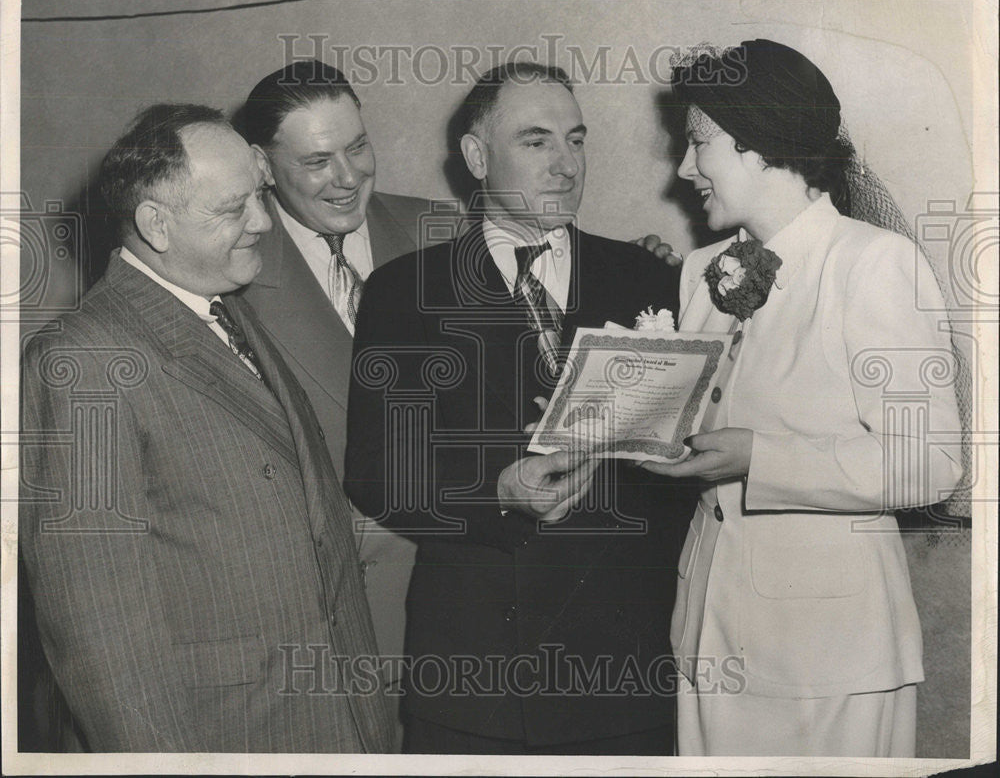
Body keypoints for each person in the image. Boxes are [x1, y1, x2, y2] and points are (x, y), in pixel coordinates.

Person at [345, 62, 698, 755]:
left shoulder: (648, 277)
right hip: (478, 672)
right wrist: (497, 491)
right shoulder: (405, 291)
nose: (565, 165)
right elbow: (380, 471)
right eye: (536, 141)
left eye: (575, 139)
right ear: (477, 157)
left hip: (623, 667)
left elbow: (680, 467)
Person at [19, 104, 393, 752]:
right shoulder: (86, 359)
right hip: (229, 737)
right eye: (231, 210)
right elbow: (99, 634)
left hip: (333, 721)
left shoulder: (226, 304)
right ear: (155, 226)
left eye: (260, 197)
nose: (264, 222)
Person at [643, 39, 963, 756]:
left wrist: (760, 457)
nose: (684, 168)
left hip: (833, 653)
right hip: (706, 638)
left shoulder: (874, 264)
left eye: (698, 144)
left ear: (760, 143)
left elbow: (931, 464)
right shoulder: (700, 273)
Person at [233, 62, 435, 746]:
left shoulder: (443, 230)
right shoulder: (234, 271)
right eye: (317, 160)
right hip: (328, 619)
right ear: (262, 165)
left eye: (358, 146)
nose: (348, 176)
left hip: (457, 599)